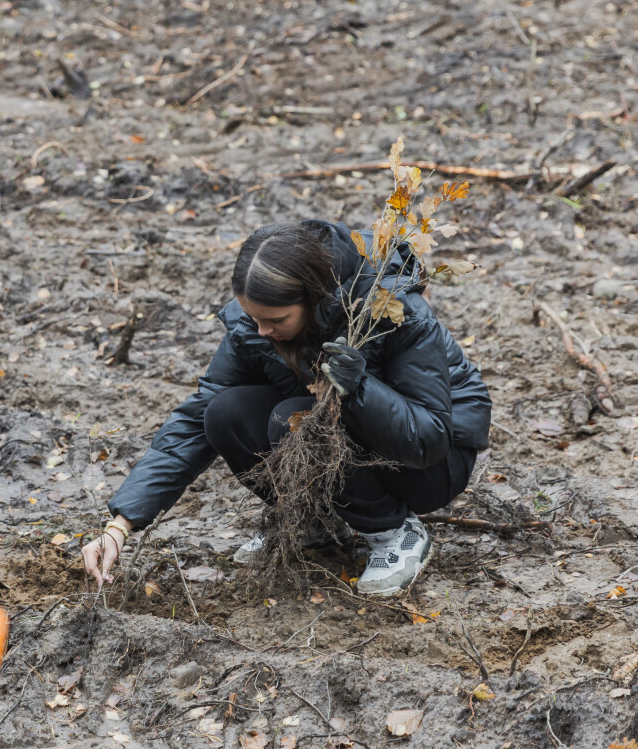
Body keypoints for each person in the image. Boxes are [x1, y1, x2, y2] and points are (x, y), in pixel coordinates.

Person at [81, 221, 491, 596]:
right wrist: (121, 525)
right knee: (224, 413)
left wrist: (359, 387)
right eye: (253, 316)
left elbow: (430, 437)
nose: (262, 330)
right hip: (353, 440)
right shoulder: (256, 325)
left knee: (294, 420)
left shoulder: (392, 311)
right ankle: (314, 521)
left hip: (431, 465)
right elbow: (193, 421)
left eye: (275, 319)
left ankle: (393, 532)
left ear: (314, 299)